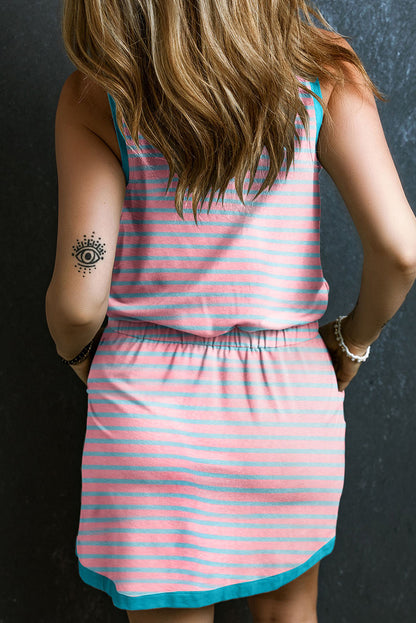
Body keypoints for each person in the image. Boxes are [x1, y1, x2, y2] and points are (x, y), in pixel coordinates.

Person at [45, 1, 416, 622]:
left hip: (150, 415)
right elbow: (401, 250)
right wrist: (351, 343)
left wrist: (92, 361)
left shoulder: (97, 93)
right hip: (291, 413)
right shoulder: (325, 73)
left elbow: (79, 300)